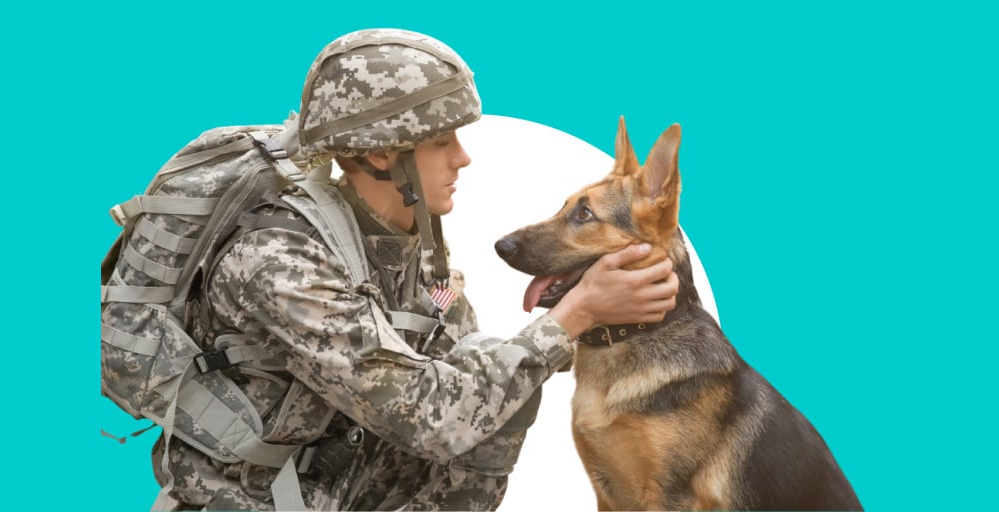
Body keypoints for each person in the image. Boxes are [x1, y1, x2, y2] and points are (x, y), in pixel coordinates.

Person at [152, 28, 679, 510]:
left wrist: (603, 316)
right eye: (440, 141)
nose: (463, 158)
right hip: (251, 502)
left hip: (345, 491)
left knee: (497, 378)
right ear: (383, 156)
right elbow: (429, 417)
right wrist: (573, 317)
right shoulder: (280, 263)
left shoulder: (410, 247)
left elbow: (466, 369)